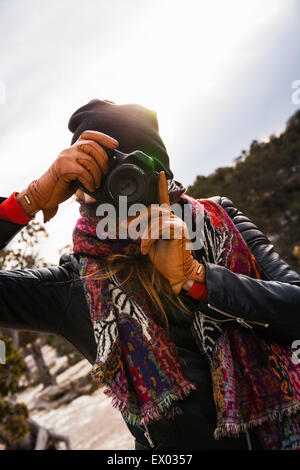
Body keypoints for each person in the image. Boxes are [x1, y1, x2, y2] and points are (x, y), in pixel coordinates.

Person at [0, 99, 300, 451]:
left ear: (164, 176)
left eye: (131, 172)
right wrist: (25, 202)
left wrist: (199, 279)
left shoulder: (221, 223)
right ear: (78, 189)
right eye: (102, 178)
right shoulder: (78, 286)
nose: (121, 192)